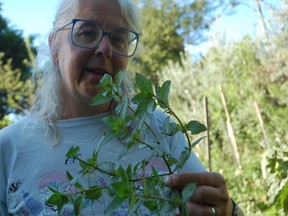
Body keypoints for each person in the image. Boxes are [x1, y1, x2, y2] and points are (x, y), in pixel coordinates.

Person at [0, 0, 244, 215]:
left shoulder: (160, 130)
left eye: (118, 38)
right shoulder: (8, 149)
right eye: (87, 32)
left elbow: (216, 208)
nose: (105, 49)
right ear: (54, 45)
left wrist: (226, 211)